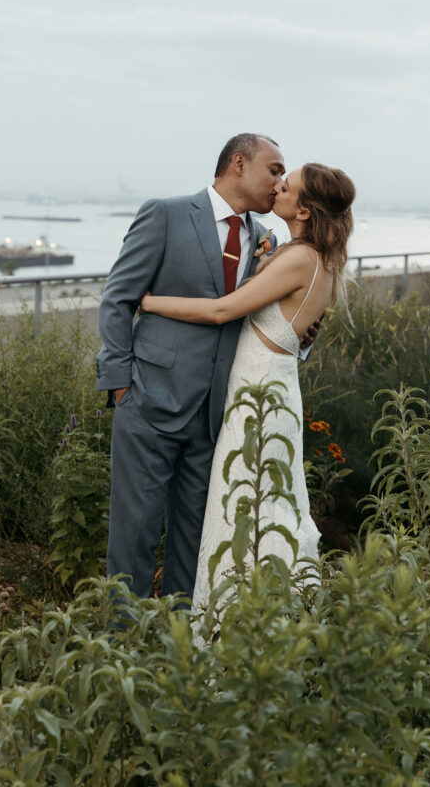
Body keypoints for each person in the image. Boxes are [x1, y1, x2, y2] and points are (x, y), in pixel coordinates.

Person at [97, 134, 321, 603]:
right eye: (274, 169)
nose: (279, 182)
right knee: (133, 540)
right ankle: (123, 655)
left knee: (195, 544)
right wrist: (121, 386)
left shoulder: (267, 241)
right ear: (239, 164)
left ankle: (181, 650)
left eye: (284, 175)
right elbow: (118, 298)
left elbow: (267, 320)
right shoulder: (166, 214)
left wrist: (299, 338)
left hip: (217, 418)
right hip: (148, 402)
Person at [140, 162, 355, 608]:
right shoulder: (318, 259)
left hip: (256, 395)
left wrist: (147, 301)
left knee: (245, 505)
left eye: (288, 185)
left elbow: (223, 312)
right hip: (273, 388)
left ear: (305, 212)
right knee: (264, 502)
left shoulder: (298, 257)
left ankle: (233, 624)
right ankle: (263, 616)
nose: (277, 187)